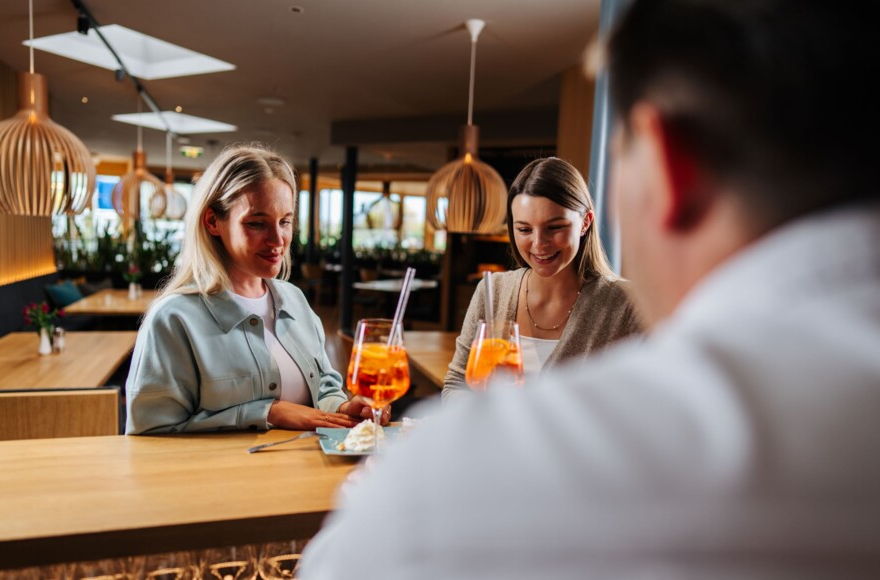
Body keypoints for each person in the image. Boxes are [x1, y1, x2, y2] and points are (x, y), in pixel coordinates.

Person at [300, 0, 879, 577]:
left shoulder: (443, 490)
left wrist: (397, 486)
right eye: (524, 230)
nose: (539, 242)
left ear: (665, 162)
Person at [125, 145, 389, 434]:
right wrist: (267, 413)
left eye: (285, 221)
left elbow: (325, 387)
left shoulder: (294, 299)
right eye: (257, 223)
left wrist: (341, 407)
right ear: (213, 221)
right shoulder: (174, 319)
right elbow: (149, 435)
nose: (278, 239)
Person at [442, 157, 641, 401]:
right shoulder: (492, 291)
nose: (538, 244)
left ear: (585, 222)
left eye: (554, 227)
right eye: (524, 229)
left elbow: (644, 408)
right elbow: (456, 384)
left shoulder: (627, 305)